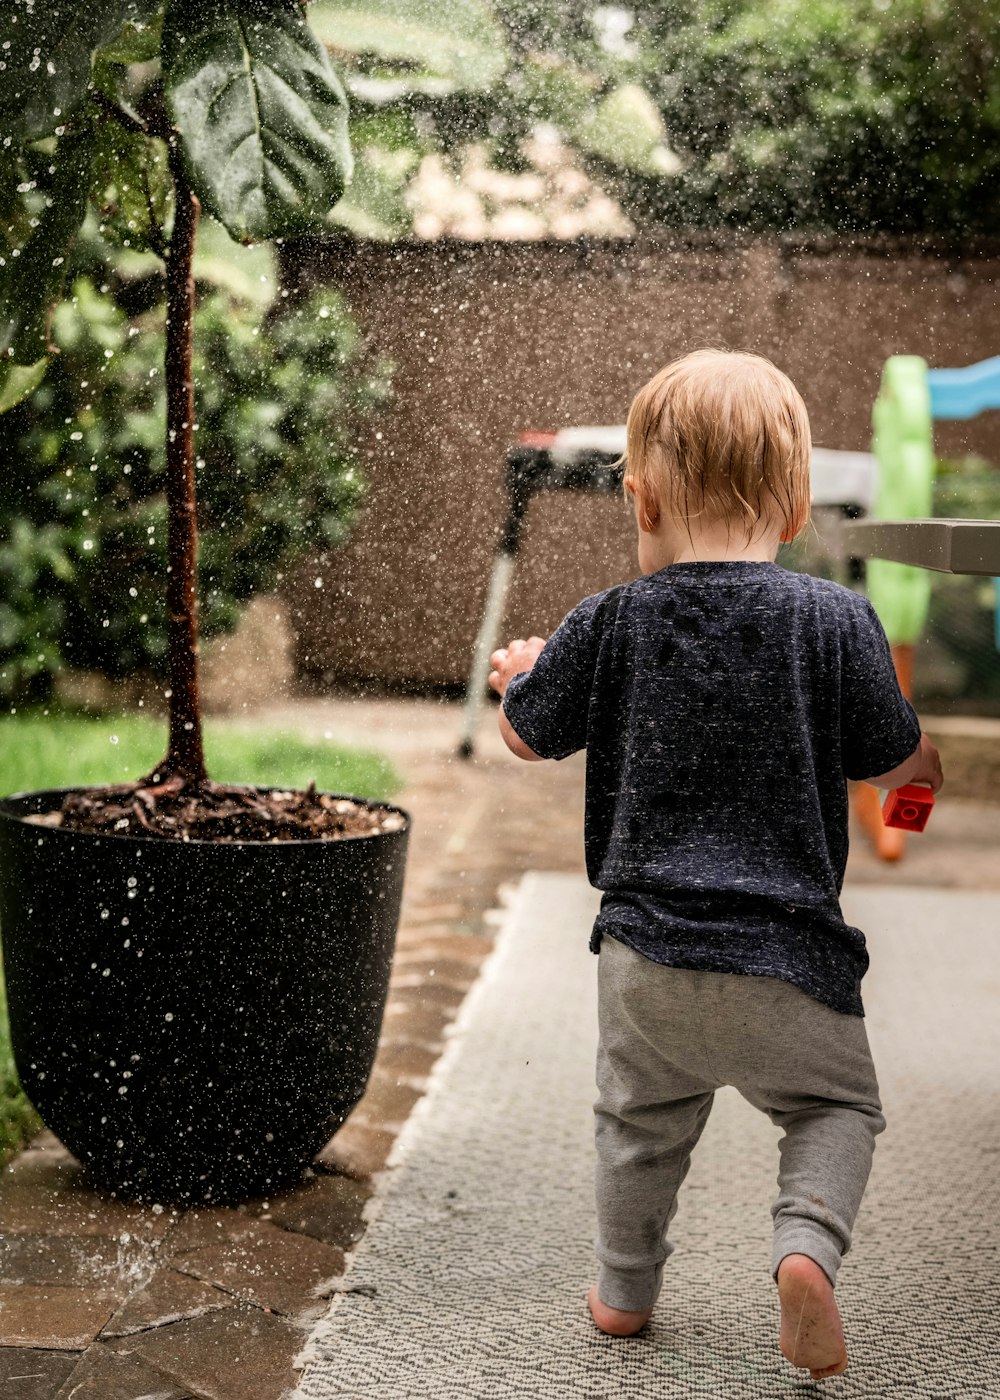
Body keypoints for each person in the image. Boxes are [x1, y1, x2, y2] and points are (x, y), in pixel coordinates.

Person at [488, 349, 943, 1381]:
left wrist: (522, 673)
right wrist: (922, 776)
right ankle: (803, 1248)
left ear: (640, 499)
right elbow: (893, 763)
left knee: (636, 1125)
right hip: (790, 958)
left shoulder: (605, 621)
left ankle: (621, 1290)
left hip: (646, 959)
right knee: (834, 1110)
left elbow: (526, 736)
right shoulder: (835, 619)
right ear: (794, 508)